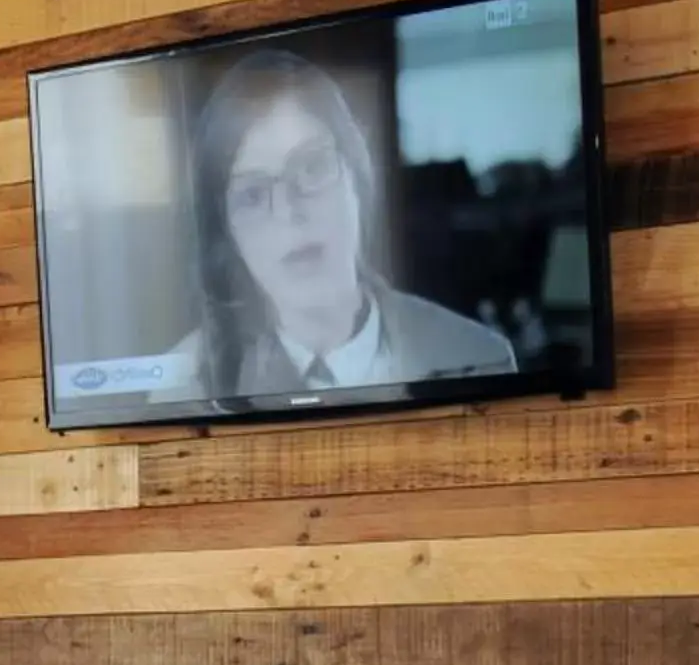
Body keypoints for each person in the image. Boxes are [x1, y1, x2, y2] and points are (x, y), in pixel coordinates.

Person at [148, 49, 517, 406]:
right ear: (229, 233)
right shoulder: (185, 390)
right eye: (253, 194)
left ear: (358, 175)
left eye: (312, 167)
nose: (290, 212)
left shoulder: (479, 357)